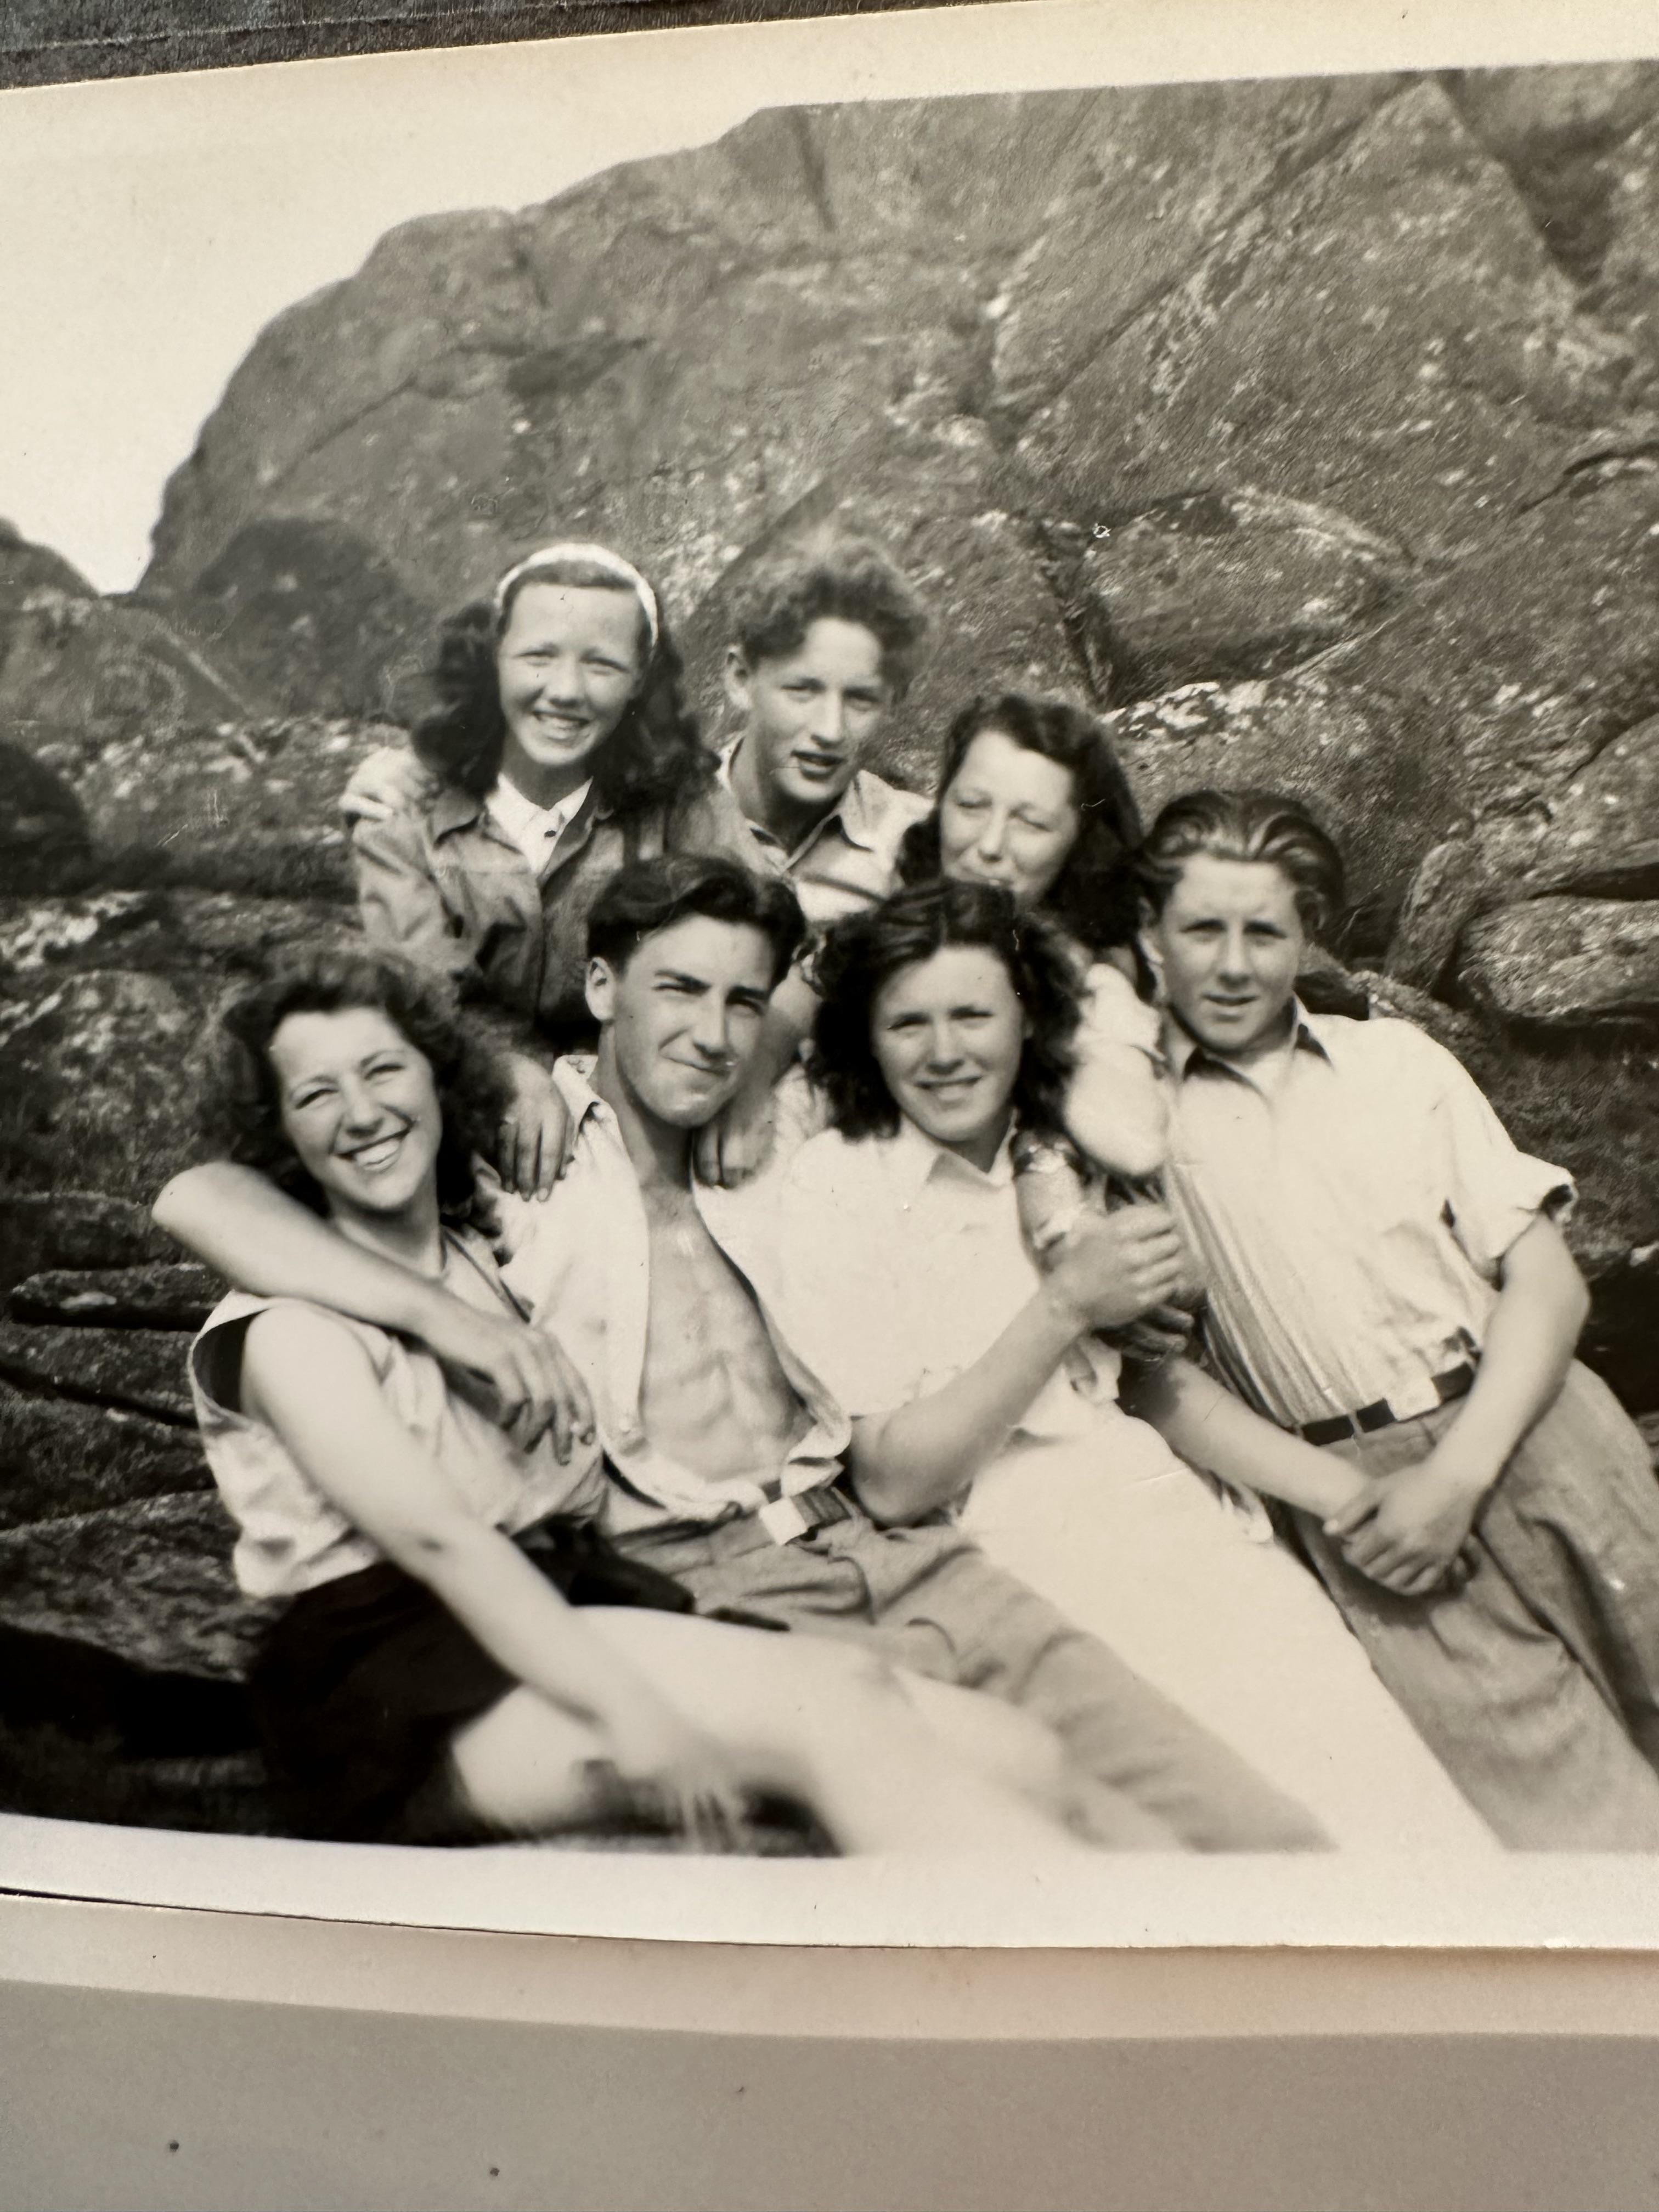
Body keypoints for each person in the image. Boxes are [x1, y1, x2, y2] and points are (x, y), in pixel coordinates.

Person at [155, 855, 1331, 1852]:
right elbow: (207, 1194)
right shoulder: (517, 1160)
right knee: (987, 1804)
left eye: (740, 1002)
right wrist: (448, 1316)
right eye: (676, 991)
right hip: (700, 1575)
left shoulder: (793, 1118)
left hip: (895, 1538)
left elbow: (979, 1008)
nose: (709, 1034)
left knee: (1239, 1828)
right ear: (603, 986)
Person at [777, 877, 1494, 1850]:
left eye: (972, 1014)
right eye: (908, 1023)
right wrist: (1066, 1301)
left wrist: (1346, 1494)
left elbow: (1150, 1388)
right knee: (1247, 1854)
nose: (944, 1053)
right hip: (1018, 1564)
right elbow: (895, 1481)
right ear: (867, 1035)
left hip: (1182, 1526)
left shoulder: (1067, 1158)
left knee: (1394, 1812)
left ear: (1025, 1019)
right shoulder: (831, 1191)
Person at [1138, 786, 1659, 1849]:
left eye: (1264, 932)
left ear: (1308, 938)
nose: (1232, 965)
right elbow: (1161, 1381)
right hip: (1365, 1517)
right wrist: (1361, 1504)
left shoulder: (1398, 1066)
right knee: (1574, 1829)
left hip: (1537, 1430)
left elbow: (1548, 1284)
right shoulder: (1131, 1126)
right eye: (1201, 930)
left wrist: (1458, 1477)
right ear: (1150, 936)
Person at [342, 541, 756, 1198]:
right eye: (538, 657)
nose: (565, 692)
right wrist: (513, 1067)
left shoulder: (683, 800)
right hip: (461, 1095)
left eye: (602, 665)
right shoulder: (405, 804)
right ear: (493, 660)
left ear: (641, 679)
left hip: (635, 1106)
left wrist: (749, 1085)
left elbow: (773, 938)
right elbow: (420, 984)